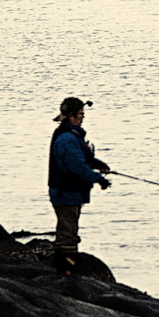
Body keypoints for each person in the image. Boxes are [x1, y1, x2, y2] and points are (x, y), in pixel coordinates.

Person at [48, 97, 111, 274]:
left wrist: (98, 164)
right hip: (65, 192)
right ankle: (66, 268)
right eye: (80, 114)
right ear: (71, 116)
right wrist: (98, 179)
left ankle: (65, 264)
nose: (83, 117)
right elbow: (77, 167)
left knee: (68, 227)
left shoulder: (70, 135)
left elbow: (82, 160)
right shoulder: (67, 138)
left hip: (67, 192)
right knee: (68, 230)